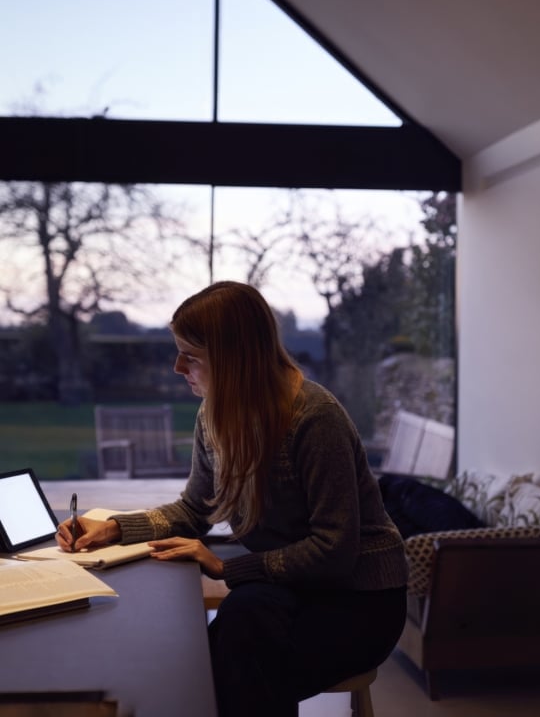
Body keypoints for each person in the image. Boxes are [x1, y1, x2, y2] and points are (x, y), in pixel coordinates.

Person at [57, 281, 408, 717]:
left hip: (360, 599)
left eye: (191, 355)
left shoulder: (315, 419)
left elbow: (334, 551)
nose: (176, 366)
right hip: (298, 586)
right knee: (231, 639)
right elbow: (194, 510)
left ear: (233, 359)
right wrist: (112, 528)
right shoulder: (216, 414)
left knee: (238, 656)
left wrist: (226, 567)